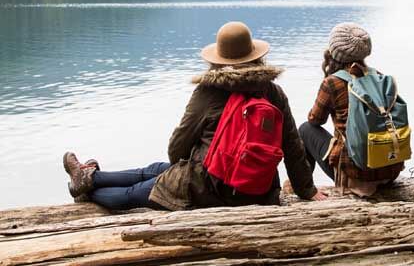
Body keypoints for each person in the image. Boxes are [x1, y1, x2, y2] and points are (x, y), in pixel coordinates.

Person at [63, 21, 326, 210]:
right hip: (260, 190)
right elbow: (292, 146)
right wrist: (307, 190)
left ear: (219, 59)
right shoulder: (273, 92)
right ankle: (89, 177)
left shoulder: (209, 91)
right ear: (255, 56)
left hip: (209, 188)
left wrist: (183, 167)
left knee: (135, 194)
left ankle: (87, 192)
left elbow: (176, 148)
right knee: (155, 170)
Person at [298, 23, 404, 198]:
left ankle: (305, 188)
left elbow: (315, 120)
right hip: (389, 171)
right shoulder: (379, 77)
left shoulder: (332, 82)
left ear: (335, 51)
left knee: (305, 129)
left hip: (356, 175)